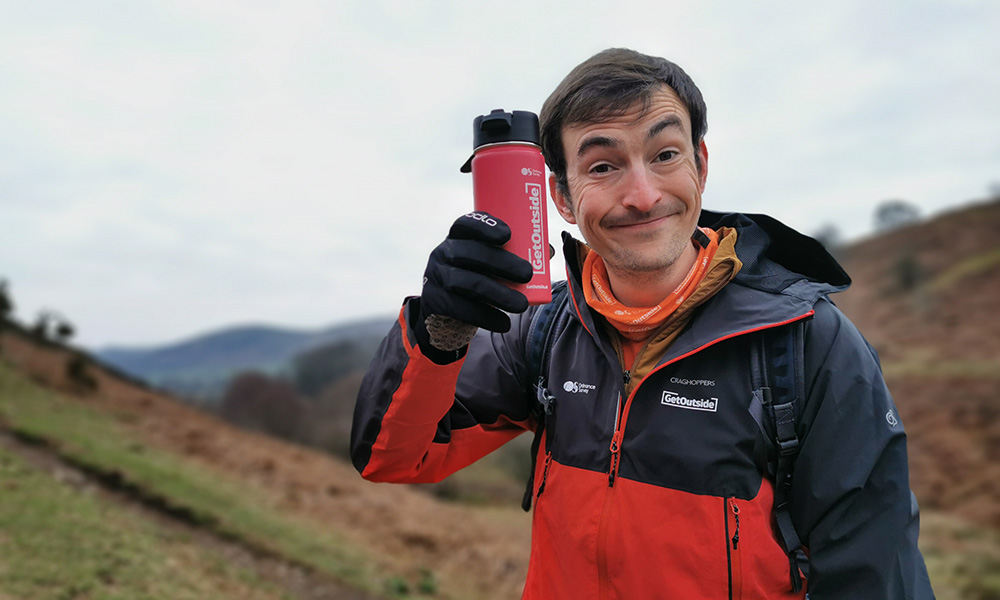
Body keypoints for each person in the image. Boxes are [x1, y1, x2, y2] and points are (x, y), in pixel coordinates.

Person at [351, 48, 935, 599]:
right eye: (602, 165)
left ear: (700, 164)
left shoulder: (808, 343)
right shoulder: (545, 329)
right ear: (561, 196)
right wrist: (437, 332)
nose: (642, 194)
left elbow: (876, 574)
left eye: (664, 155)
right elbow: (393, 456)